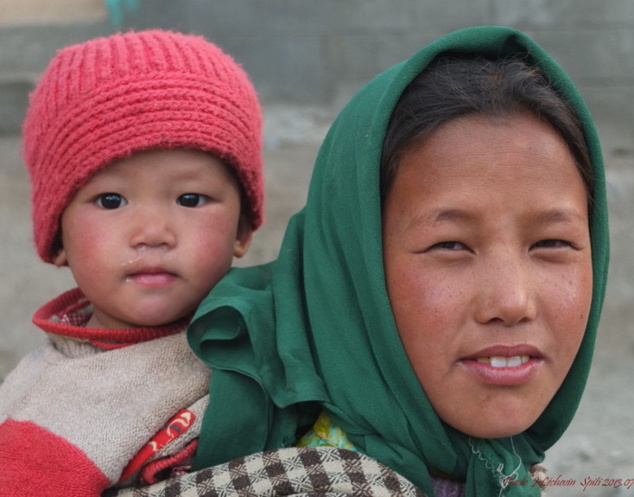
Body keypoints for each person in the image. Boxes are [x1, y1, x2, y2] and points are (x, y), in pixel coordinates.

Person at [108, 26, 608, 497]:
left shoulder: (494, 466)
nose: (512, 300)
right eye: (450, 245)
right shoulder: (322, 480)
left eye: (553, 244)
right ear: (350, 273)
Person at [0, 29, 263, 496]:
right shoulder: (47, 413)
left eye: (189, 197)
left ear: (242, 229)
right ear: (57, 238)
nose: (152, 232)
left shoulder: (278, 325)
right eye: (110, 200)